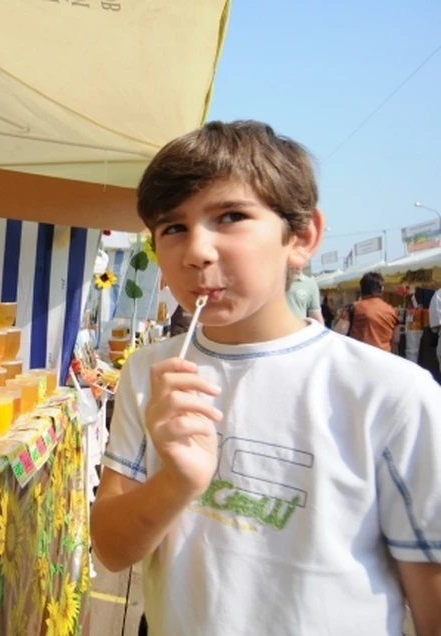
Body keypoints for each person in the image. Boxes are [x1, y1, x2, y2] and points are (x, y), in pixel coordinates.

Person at [91, 121, 441, 635]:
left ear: (301, 238)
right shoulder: (150, 372)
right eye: (173, 228)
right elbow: (112, 548)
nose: (196, 252)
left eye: (230, 216)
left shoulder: (391, 395)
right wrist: (177, 481)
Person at [348, 272, 399, 353]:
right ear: (381, 289)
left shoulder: (352, 308)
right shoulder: (392, 311)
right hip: (384, 358)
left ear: (362, 288)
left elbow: (339, 333)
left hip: (359, 357)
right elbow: (396, 340)